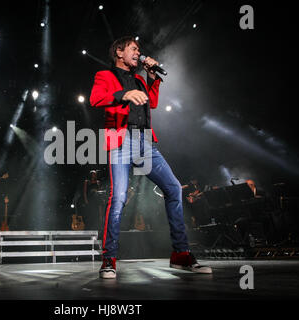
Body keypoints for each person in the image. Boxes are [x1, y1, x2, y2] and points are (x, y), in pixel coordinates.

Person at [90, 36, 211, 278]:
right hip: (121, 142)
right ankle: (109, 259)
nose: (138, 53)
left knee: (174, 188)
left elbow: (152, 103)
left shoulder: (139, 79)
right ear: (119, 52)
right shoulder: (105, 76)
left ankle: (180, 254)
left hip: (146, 144)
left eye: (139, 50)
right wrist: (123, 95)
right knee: (119, 197)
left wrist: (152, 78)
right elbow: (96, 99)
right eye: (134, 49)